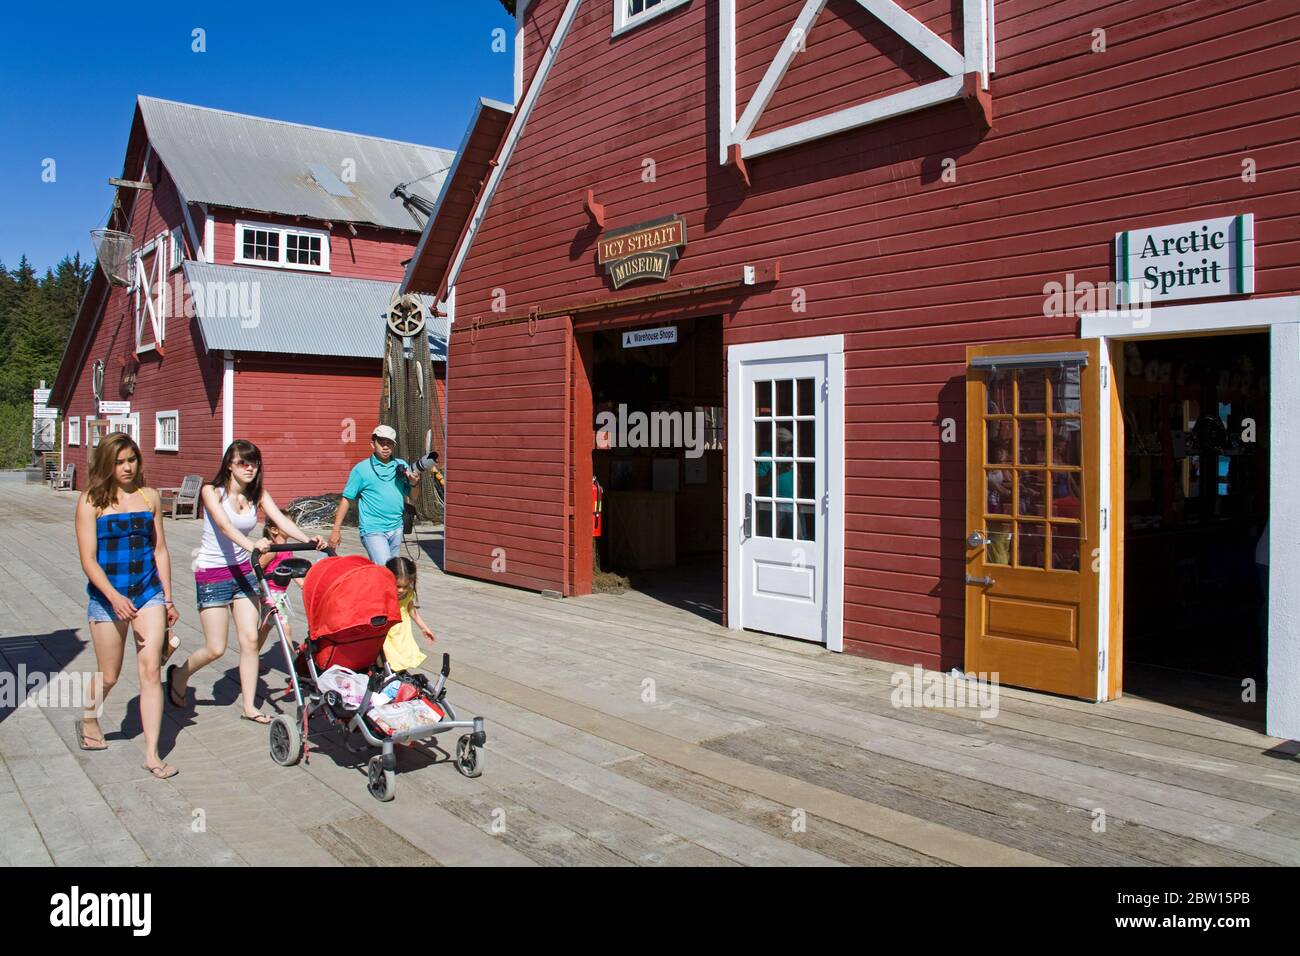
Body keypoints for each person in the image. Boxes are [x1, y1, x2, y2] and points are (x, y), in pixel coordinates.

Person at [166, 440, 324, 724]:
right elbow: (225, 527)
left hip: (243, 572)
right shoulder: (211, 492)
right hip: (213, 573)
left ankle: (249, 706)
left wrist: (308, 540)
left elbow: (281, 520)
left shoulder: (258, 494)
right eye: (243, 463)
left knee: (250, 640)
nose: (249, 468)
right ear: (229, 465)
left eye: (254, 463)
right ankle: (180, 674)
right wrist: (252, 545)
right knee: (216, 647)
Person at [74, 432, 180, 779]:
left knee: (150, 671)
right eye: (119, 461)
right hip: (108, 598)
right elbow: (88, 559)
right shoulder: (91, 501)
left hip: (147, 592)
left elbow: (159, 549)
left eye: (132, 459)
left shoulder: (149, 497)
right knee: (110, 674)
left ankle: (152, 753)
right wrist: (113, 597)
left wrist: (167, 598)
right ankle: (89, 716)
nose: (127, 467)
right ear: (107, 463)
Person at [329, 425, 421, 564]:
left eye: (389, 443)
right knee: (385, 568)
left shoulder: (401, 466)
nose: (385, 447)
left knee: (391, 572)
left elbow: (414, 496)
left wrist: (414, 483)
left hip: (396, 527)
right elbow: (346, 499)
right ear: (373, 444)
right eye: (381, 442)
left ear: (394, 445)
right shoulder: (361, 469)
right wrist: (336, 530)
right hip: (373, 529)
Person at [254, 523, 302, 675]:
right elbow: (257, 568)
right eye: (287, 524)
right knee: (284, 625)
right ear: (274, 530)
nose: (292, 526)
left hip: (279, 593)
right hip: (269, 593)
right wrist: (261, 590)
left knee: (265, 628)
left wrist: (303, 584)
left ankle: (251, 658)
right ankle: (295, 663)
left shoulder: (287, 549)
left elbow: (291, 570)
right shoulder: (272, 550)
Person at [381, 557, 436, 673]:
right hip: (387, 631)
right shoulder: (383, 593)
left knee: (401, 657)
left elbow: (411, 609)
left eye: (405, 587)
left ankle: (395, 678)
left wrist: (424, 627)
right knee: (389, 659)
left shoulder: (408, 593)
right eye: (398, 586)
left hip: (401, 631)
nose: (401, 590)